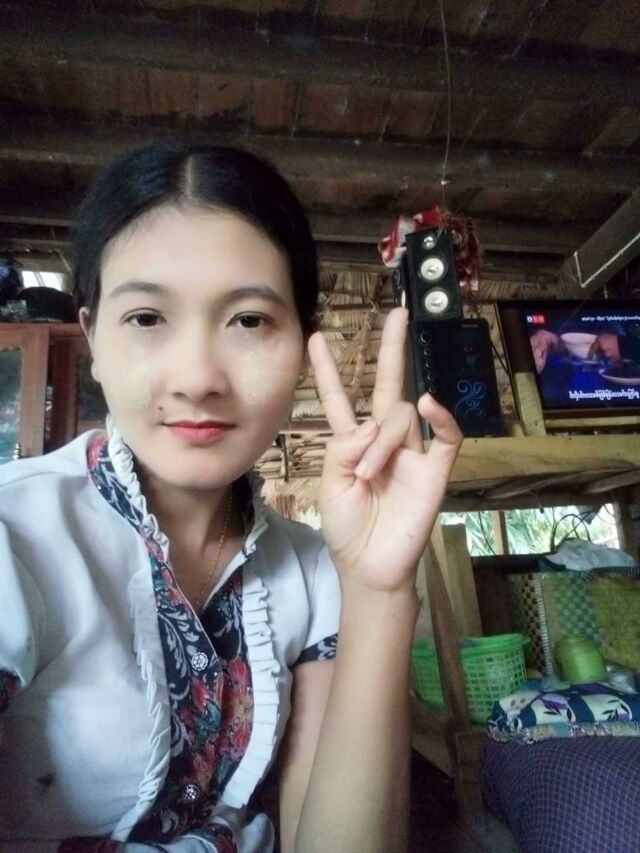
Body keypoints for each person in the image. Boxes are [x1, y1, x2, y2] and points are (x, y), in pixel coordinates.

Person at [0, 144, 462, 853]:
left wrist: (379, 591)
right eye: (146, 317)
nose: (197, 379)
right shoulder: (17, 533)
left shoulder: (312, 571)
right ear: (92, 338)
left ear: (304, 347)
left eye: (248, 320)